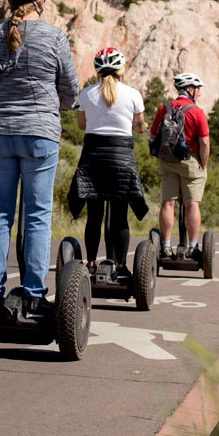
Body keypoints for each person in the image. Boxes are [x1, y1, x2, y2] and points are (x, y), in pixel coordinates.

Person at [0, 0, 79, 317]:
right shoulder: (54, 37)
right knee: (36, 216)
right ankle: (33, 295)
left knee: (0, 214)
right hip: (39, 134)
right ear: (40, 0)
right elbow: (70, 91)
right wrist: (58, 104)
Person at [67, 47, 149, 278]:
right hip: (121, 157)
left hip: (93, 157)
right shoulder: (133, 94)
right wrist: (142, 128)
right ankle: (121, 267)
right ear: (121, 69)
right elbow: (139, 125)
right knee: (120, 215)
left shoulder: (86, 94)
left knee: (94, 215)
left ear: (98, 70)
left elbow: (82, 126)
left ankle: (91, 263)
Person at [150, 73, 210, 260]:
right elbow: (205, 143)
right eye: (198, 89)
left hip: (167, 162)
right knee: (192, 204)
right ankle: (192, 247)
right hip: (190, 161)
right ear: (190, 89)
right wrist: (204, 164)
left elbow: (153, 137)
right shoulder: (197, 112)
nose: (199, 93)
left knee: (168, 203)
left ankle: (166, 246)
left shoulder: (164, 108)